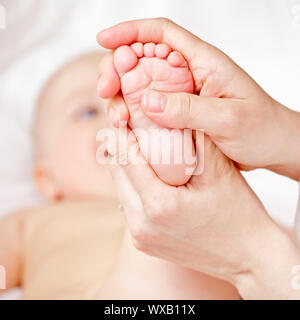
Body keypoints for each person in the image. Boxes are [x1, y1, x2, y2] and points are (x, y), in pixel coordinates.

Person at [0, 51, 239, 300]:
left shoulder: (223, 210)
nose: (118, 118)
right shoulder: (31, 222)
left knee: (201, 230)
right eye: (87, 113)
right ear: (47, 181)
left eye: (132, 105)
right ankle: (167, 182)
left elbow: (270, 255)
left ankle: (167, 189)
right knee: (175, 233)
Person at [97, 18, 300, 299]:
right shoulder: (38, 219)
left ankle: (169, 159)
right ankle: (168, 154)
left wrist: (251, 259)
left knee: (152, 266)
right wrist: (287, 135)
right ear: (44, 177)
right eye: (85, 113)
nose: (106, 122)